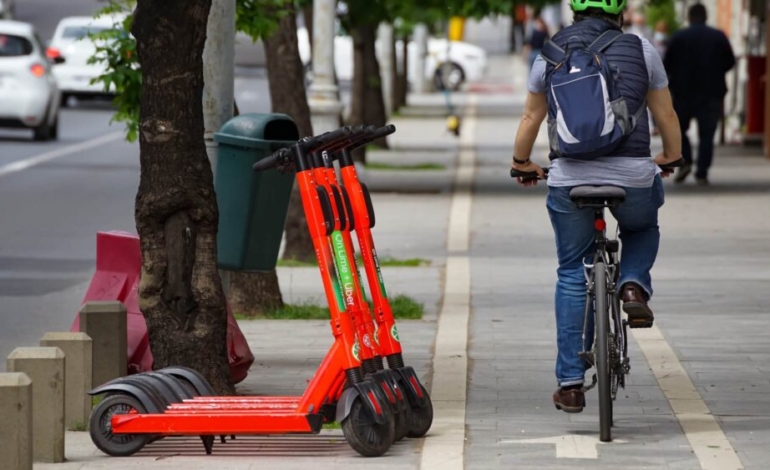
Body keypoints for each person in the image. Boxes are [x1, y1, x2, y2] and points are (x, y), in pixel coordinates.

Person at [509, 0, 682, 413]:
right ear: (619, 12)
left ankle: (570, 382)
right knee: (641, 227)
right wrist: (671, 157)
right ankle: (633, 283)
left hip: (570, 178)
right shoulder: (642, 49)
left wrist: (521, 164)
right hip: (634, 174)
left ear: (574, 12)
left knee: (572, 271)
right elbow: (666, 113)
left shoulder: (549, 53)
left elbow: (531, 118)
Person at [663, 4, 735, 185]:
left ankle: (686, 159)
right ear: (705, 16)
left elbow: (666, 64)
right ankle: (702, 172)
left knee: (680, 130)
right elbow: (730, 61)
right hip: (711, 93)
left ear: (689, 17)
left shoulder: (678, 37)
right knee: (707, 135)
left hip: (683, 93)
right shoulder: (718, 37)